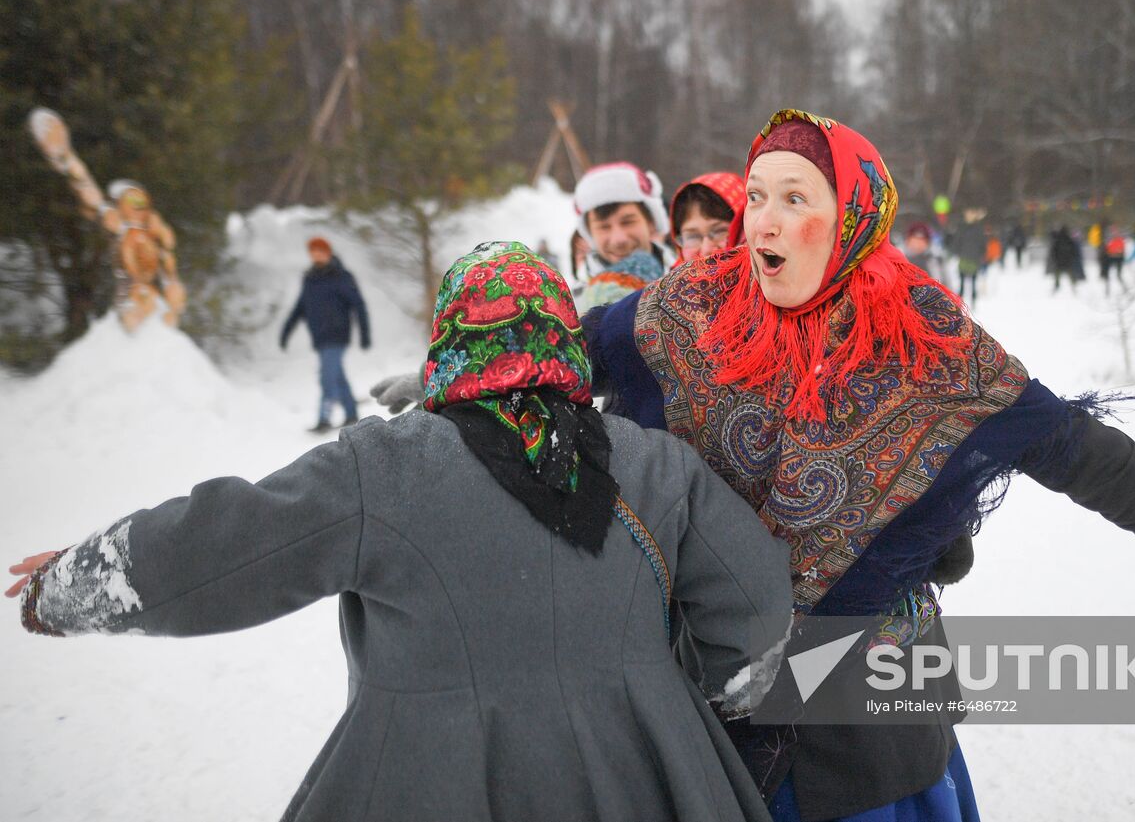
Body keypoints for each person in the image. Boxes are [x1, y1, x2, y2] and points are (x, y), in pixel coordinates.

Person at [371, 110, 1135, 821]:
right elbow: (557, 356)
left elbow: (1093, 460)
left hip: (866, 714)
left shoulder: (934, 350)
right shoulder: (683, 309)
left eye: (794, 197)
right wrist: (461, 385)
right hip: (703, 695)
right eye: (756, 195)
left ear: (853, 213)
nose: (761, 222)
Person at [9, 242, 794, 822]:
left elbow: (227, 546)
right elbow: (754, 609)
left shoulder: (383, 468)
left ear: (450, 339)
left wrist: (80, 580)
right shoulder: (657, 465)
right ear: (562, 335)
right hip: (646, 773)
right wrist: (680, 696)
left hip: (427, 775)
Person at [279, 236, 370, 432]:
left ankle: (324, 418)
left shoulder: (342, 276)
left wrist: (365, 334)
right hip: (320, 337)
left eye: (320, 251)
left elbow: (358, 305)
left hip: (337, 335)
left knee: (327, 377)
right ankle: (351, 413)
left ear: (328, 252)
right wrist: (286, 332)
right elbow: (300, 307)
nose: (317, 255)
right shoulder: (310, 279)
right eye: (313, 252)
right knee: (337, 376)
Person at [572, 161, 670, 313]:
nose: (619, 239)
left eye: (628, 222)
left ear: (651, 222)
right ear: (590, 234)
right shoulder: (572, 308)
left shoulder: (688, 284)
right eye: (604, 227)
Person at [670, 171, 745, 266]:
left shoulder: (766, 278)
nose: (706, 250)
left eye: (719, 231)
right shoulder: (670, 280)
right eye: (692, 237)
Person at [948, 214, 987, 304]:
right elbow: (957, 242)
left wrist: (981, 254)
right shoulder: (965, 228)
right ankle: (960, 301)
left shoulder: (976, 229)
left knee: (972, 282)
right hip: (966, 258)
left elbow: (982, 244)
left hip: (973, 259)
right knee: (963, 282)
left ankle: (971, 300)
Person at [1048, 225, 1083, 293]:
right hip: (1068, 261)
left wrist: (1055, 259)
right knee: (1070, 274)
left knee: (1057, 275)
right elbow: (1074, 251)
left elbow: (1053, 251)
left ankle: (1057, 286)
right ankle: (1073, 286)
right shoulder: (1069, 240)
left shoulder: (1057, 240)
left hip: (1059, 262)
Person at [1098, 224, 1127, 294]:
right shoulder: (1108, 240)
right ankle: (1107, 290)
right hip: (1110, 258)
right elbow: (1105, 250)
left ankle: (1124, 288)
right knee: (1108, 276)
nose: (1113, 233)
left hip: (1118, 258)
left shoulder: (1120, 240)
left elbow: (1122, 249)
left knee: (1118, 275)